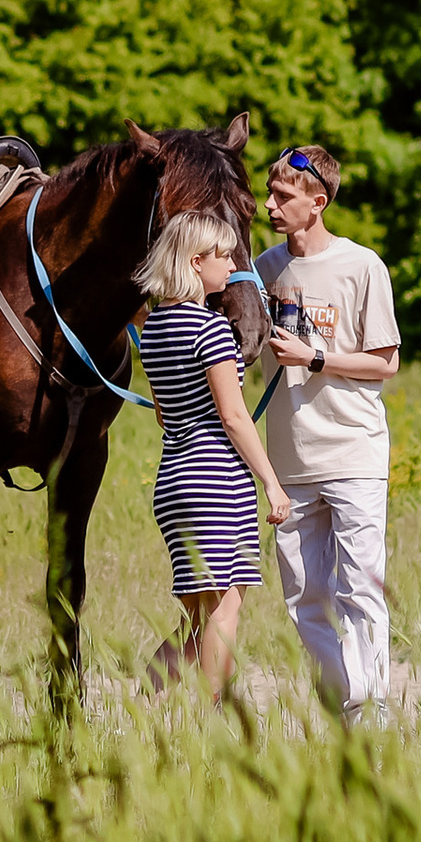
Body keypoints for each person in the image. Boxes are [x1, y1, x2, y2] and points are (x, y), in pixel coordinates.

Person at [254, 144, 401, 718]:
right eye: (270, 194)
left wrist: (315, 358)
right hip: (288, 463)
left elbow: (384, 362)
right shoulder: (262, 270)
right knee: (305, 600)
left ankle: (374, 712)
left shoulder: (363, 266)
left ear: (317, 203)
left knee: (361, 589)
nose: (270, 205)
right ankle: (351, 704)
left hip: (354, 451)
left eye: (283, 197)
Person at [133, 209, 293, 702]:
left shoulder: (154, 328)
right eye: (223, 256)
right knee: (224, 613)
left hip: (174, 481)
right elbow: (235, 417)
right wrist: (271, 482)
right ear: (196, 261)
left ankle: (143, 702)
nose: (232, 266)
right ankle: (214, 726)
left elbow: (163, 414)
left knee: (197, 617)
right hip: (217, 480)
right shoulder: (212, 329)